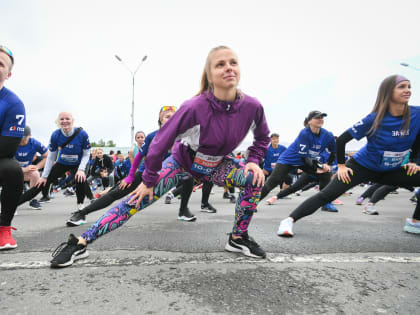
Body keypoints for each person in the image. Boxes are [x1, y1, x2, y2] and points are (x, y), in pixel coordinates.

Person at [51, 45, 270, 267]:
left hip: (218, 165)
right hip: (182, 163)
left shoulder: (252, 107)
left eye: (233, 63)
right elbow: (159, 143)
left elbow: (263, 138)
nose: (228, 68)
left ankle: (237, 238)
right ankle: (80, 243)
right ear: (209, 75)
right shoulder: (194, 107)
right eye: (220, 64)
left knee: (255, 178)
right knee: (134, 200)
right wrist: (148, 180)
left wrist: (253, 161)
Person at [277, 75, 420, 237]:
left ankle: (415, 222)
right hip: (362, 167)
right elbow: (342, 140)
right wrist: (342, 166)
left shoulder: (417, 114)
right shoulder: (374, 118)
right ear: (388, 92)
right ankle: (288, 221)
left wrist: (415, 160)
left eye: (409, 86)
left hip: (391, 170)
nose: (407, 90)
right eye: (402, 87)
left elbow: (418, 138)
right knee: (327, 195)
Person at [66, 109, 176, 226]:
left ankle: (184, 211)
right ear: (160, 120)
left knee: (188, 179)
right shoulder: (152, 136)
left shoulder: (183, 136)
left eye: (173, 116)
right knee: (116, 193)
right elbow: (138, 157)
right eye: (167, 116)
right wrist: (130, 176)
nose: (170, 119)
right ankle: (82, 213)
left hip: (166, 174)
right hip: (145, 173)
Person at [260, 110, 337, 210]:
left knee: (326, 173)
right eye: (317, 117)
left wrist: (328, 164)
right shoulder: (304, 133)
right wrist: (315, 169)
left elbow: (334, 152)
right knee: (273, 182)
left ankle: (326, 203)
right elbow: (304, 158)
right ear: (309, 121)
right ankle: (251, 204)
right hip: (289, 160)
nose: (320, 119)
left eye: (322, 118)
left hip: (307, 160)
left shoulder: (328, 135)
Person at [17, 112, 93, 210]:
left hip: (78, 163)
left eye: (67, 119)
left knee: (80, 179)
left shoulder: (82, 134)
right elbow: (51, 157)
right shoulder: (55, 135)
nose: (64, 121)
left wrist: (81, 169)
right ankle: (14, 205)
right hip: (62, 163)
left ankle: (81, 208)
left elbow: (86, 154)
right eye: (62, 119)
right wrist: (44, 176)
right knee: (41, 183)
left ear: (73, 121)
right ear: (58, 121)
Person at [0, 45, 26, 250]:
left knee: (13, 170)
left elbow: (7, 149)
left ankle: (4, 228)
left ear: (8, 74)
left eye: (1, 64)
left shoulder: (14, 104)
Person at [15, 125, 49, 210]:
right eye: (19, 138)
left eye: (24, 138)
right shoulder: (12, 142)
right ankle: (8, 203)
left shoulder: (35, 143)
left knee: (35, 174)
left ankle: (32, 199)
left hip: (26, 172)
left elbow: (48, 156)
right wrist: (23, 169)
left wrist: (37, 166)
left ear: (30, 136)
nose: (21, 141)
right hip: (12, 171)